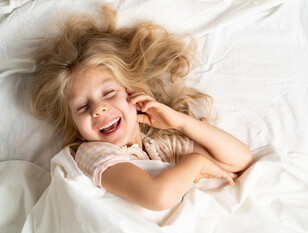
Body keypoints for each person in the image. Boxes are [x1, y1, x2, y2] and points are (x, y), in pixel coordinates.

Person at [29, 5, 252, 211]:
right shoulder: (92, 153)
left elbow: (239, 160)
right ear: (78, 130)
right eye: (82, 106)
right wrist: (195, 163)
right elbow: (157, 197)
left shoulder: (161, 147)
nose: (97, 109)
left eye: (108, 93)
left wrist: (181, 122)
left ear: (133, 96)